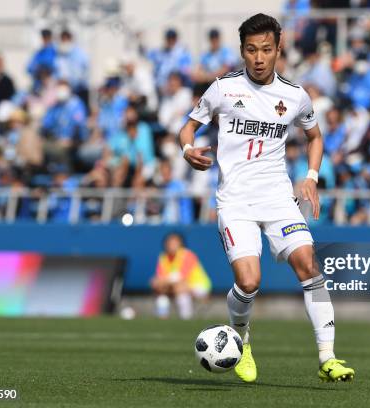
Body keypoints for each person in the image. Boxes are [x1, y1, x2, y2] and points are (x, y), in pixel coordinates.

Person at [178, 13, 354, 383]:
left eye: (267, 50)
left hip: (277, 197)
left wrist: (310, 176)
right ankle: (241, 340)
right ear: (242, 51)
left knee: (308, 264)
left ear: (279, 49)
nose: (259, 58)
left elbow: (315, 137)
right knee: (249, 282)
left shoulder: (294, 95)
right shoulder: (223, 89)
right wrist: (188, 148)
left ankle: (328, 357)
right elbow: (189, 126)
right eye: (251, 50)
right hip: (235, 201)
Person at [150, 232, 211, 320]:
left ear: (180, 244)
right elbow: (159, 281)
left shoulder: (187, 255)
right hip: (176, 287)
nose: (172, 245)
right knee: (162, 296)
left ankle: (186, 319)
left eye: (175, 243)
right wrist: (160, 284)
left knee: (181, 293)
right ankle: (162, 321)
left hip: (199, 286)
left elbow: (181, 278)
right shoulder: (163, 257)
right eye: (170, 243)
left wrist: (162, 283)